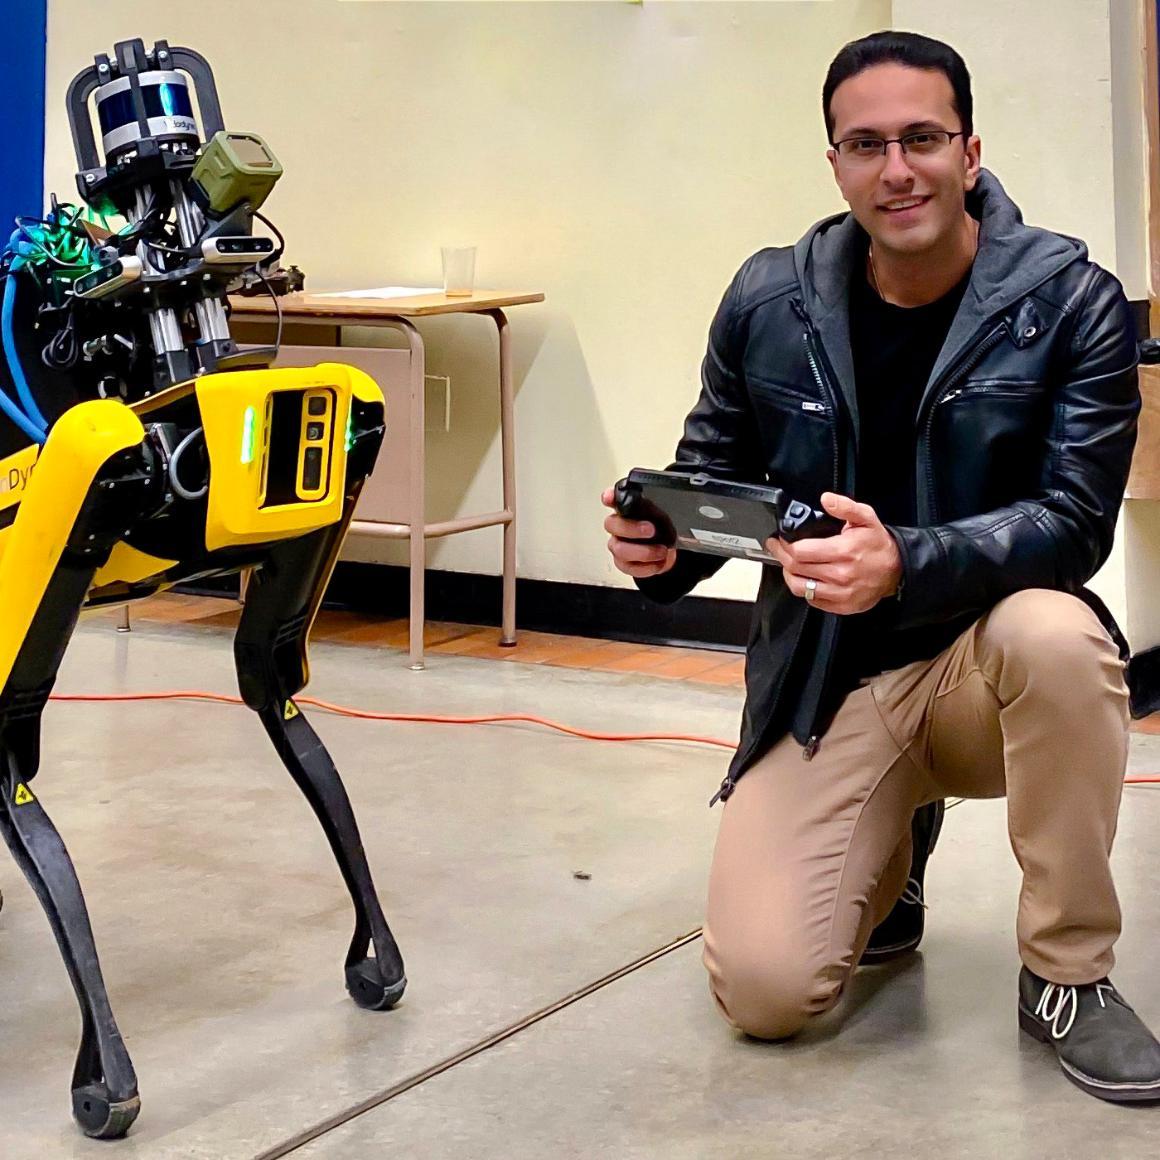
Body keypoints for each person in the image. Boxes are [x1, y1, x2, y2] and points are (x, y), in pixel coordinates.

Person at [602, 30, 1160, 1102]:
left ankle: (1065, 974)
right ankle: (890, 852)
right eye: (865, 145)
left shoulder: (1069, 302)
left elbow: (1073, 522)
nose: (895, 170)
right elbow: (714, 478)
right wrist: (662, 550)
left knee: (1058, 633)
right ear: (834, 164)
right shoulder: (768, 300)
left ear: (968, 151)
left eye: (921, 139)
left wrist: (903, 560)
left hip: (986, 669)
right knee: (766, 993)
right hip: (830, 682)